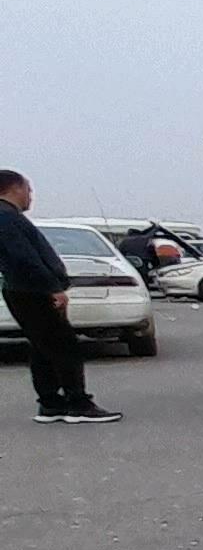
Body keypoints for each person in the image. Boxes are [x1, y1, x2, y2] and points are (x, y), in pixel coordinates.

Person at [0, 170, 120, 423]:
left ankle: (51, 404)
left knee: (43, 347)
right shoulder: (6, 218)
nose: (31, 196)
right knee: (66, 347)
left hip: (25, 289)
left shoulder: (11, 217)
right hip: (31, 290)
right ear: (14, 189)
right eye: (28, 189)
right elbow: (24, 258)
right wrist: (52, 288)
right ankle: (78, 403)